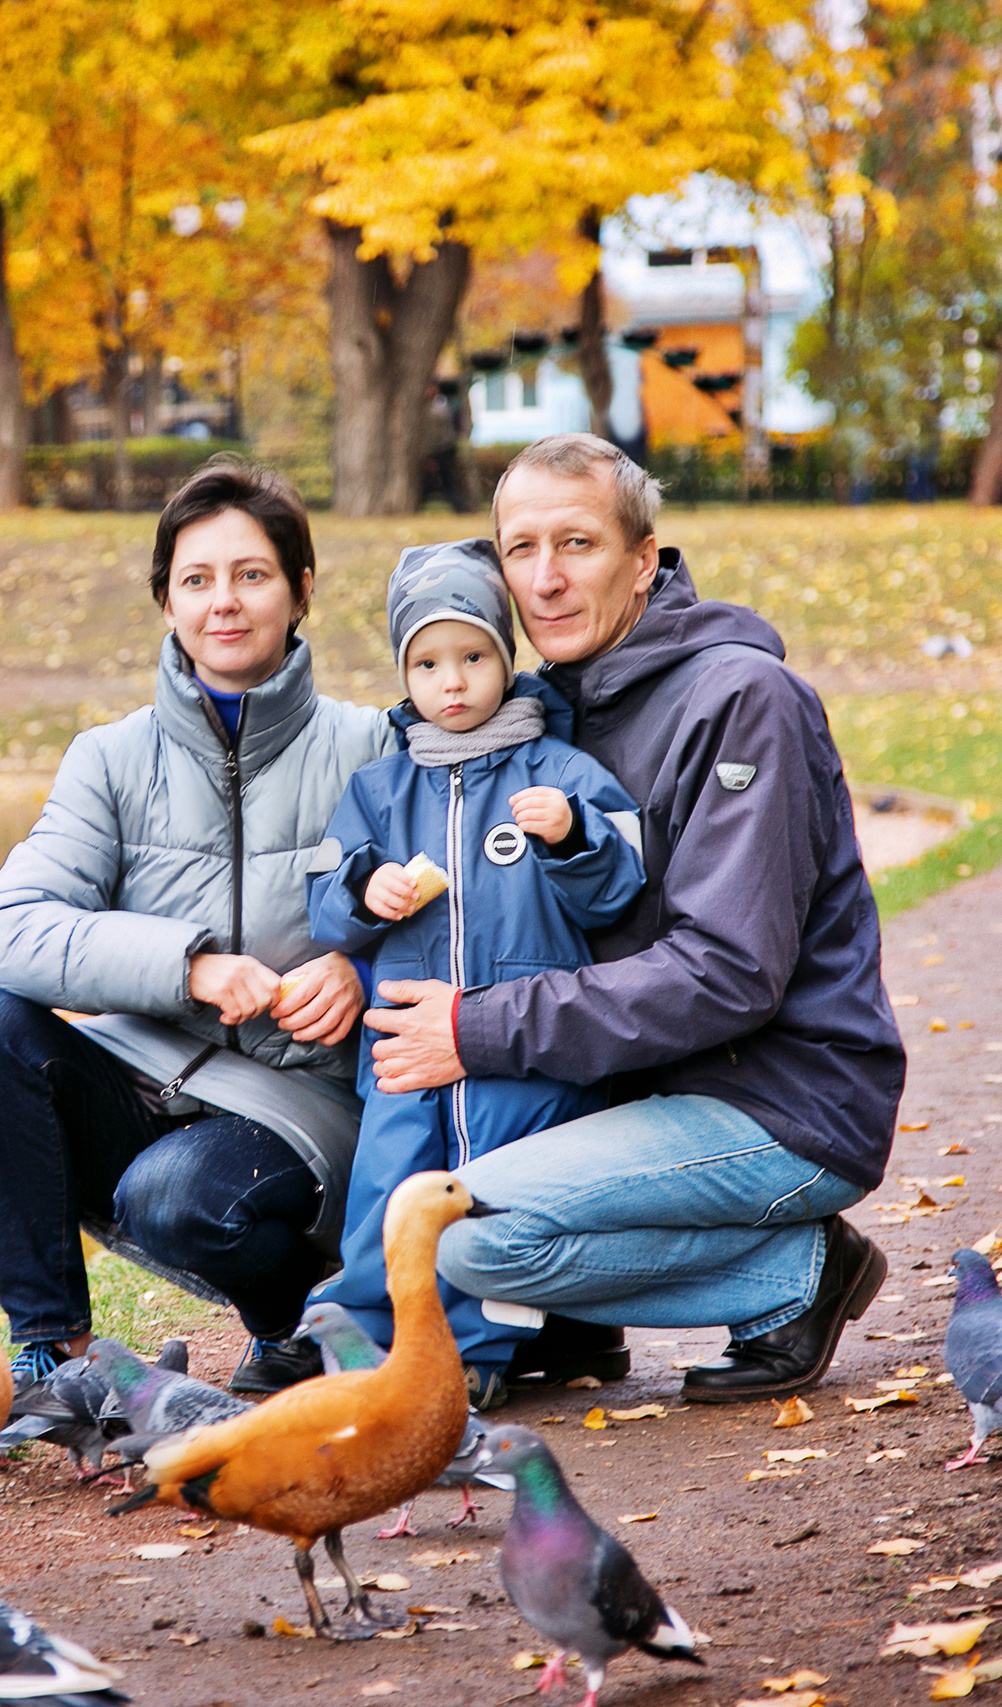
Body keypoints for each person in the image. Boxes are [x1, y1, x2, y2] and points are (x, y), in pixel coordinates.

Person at [362, 433, 906, 1404]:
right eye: (520, 549)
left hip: (780, 1100)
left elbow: (728, 971)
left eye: (576, 543)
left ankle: (797, 1276)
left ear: (643, 559)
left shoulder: (743, 700)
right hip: (637, 1090)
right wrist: (343, 948)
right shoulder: (541, 715)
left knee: (461, 1234)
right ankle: (564, 1321)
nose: (545, 578)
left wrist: (474, 1028)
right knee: (394, 1150)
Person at [0, 458, 395, 1394]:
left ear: (301, 589)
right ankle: (52, 1349)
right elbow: (5, 927)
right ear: (167, 601)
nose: (223, 601)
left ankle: (291, 1317)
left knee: (173, 1193)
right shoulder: (110, 760)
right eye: (197, 579)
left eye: (251, 574)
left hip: (304, 1100)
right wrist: (186, 966)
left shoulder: (372, 747)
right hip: (146, 1071)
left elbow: (459, 911)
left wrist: (357, 968)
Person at [302, 539, 647, 1411]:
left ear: (507, 655)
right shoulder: (380, 789)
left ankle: (479, 1354)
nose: (451, 682)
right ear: (403, 672)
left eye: (473, 657)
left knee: (490, 1194)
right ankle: (367, 1341)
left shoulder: (560, 771)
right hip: (403, 1045)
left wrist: (572, 836)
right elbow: (323, 900)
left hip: (518, 1047)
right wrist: (364, 891)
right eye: (427, 663)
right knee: (386, 1192)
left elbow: (620, 892)